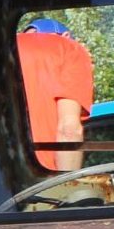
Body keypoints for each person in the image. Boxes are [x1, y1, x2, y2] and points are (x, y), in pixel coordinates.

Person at [16, 18, 94, 171]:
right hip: (39, 178)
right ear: (65, 35)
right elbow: (69, 130)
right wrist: (67, 187)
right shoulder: (68, 48)